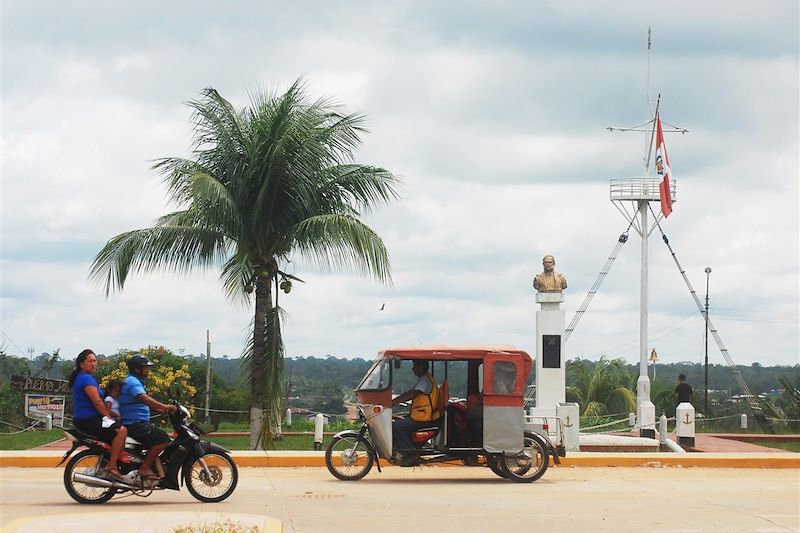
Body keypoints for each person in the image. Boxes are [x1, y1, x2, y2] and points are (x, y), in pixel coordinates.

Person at [68, 349, 127, 480]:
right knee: (122, 431)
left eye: (95, 361)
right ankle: (111, 466)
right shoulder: (85, 379)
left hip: (85, 419)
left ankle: (112, 461)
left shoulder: (83, 377)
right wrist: (108, 417)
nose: (94, 363)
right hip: (88, 420)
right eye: (90, 361)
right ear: (82, 364)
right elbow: (97, 402)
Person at [119, 354, 177, 479]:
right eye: (145, 368)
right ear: (137, 369)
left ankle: (145, 465)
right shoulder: (133, 382)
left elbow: (143, 402)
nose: (148, 370)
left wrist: (161, 409)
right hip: (134, 424)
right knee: (163, 439)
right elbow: (143, 398)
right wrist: (164, 406)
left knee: (156, 437)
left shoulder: (134, 381)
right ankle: (144, 468)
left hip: (136, 422)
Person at [391, 360, 440, 463]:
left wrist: (393, 402)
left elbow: (412, 394)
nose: (412, 368)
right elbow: (409, 392)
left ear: (421, 367)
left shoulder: (425, 380)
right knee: (399, 420)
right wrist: (394, 400)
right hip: (421, 415)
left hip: (424, 417)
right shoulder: (425, 379)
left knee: (398, 426)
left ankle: (410, 453)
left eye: (415, 366)